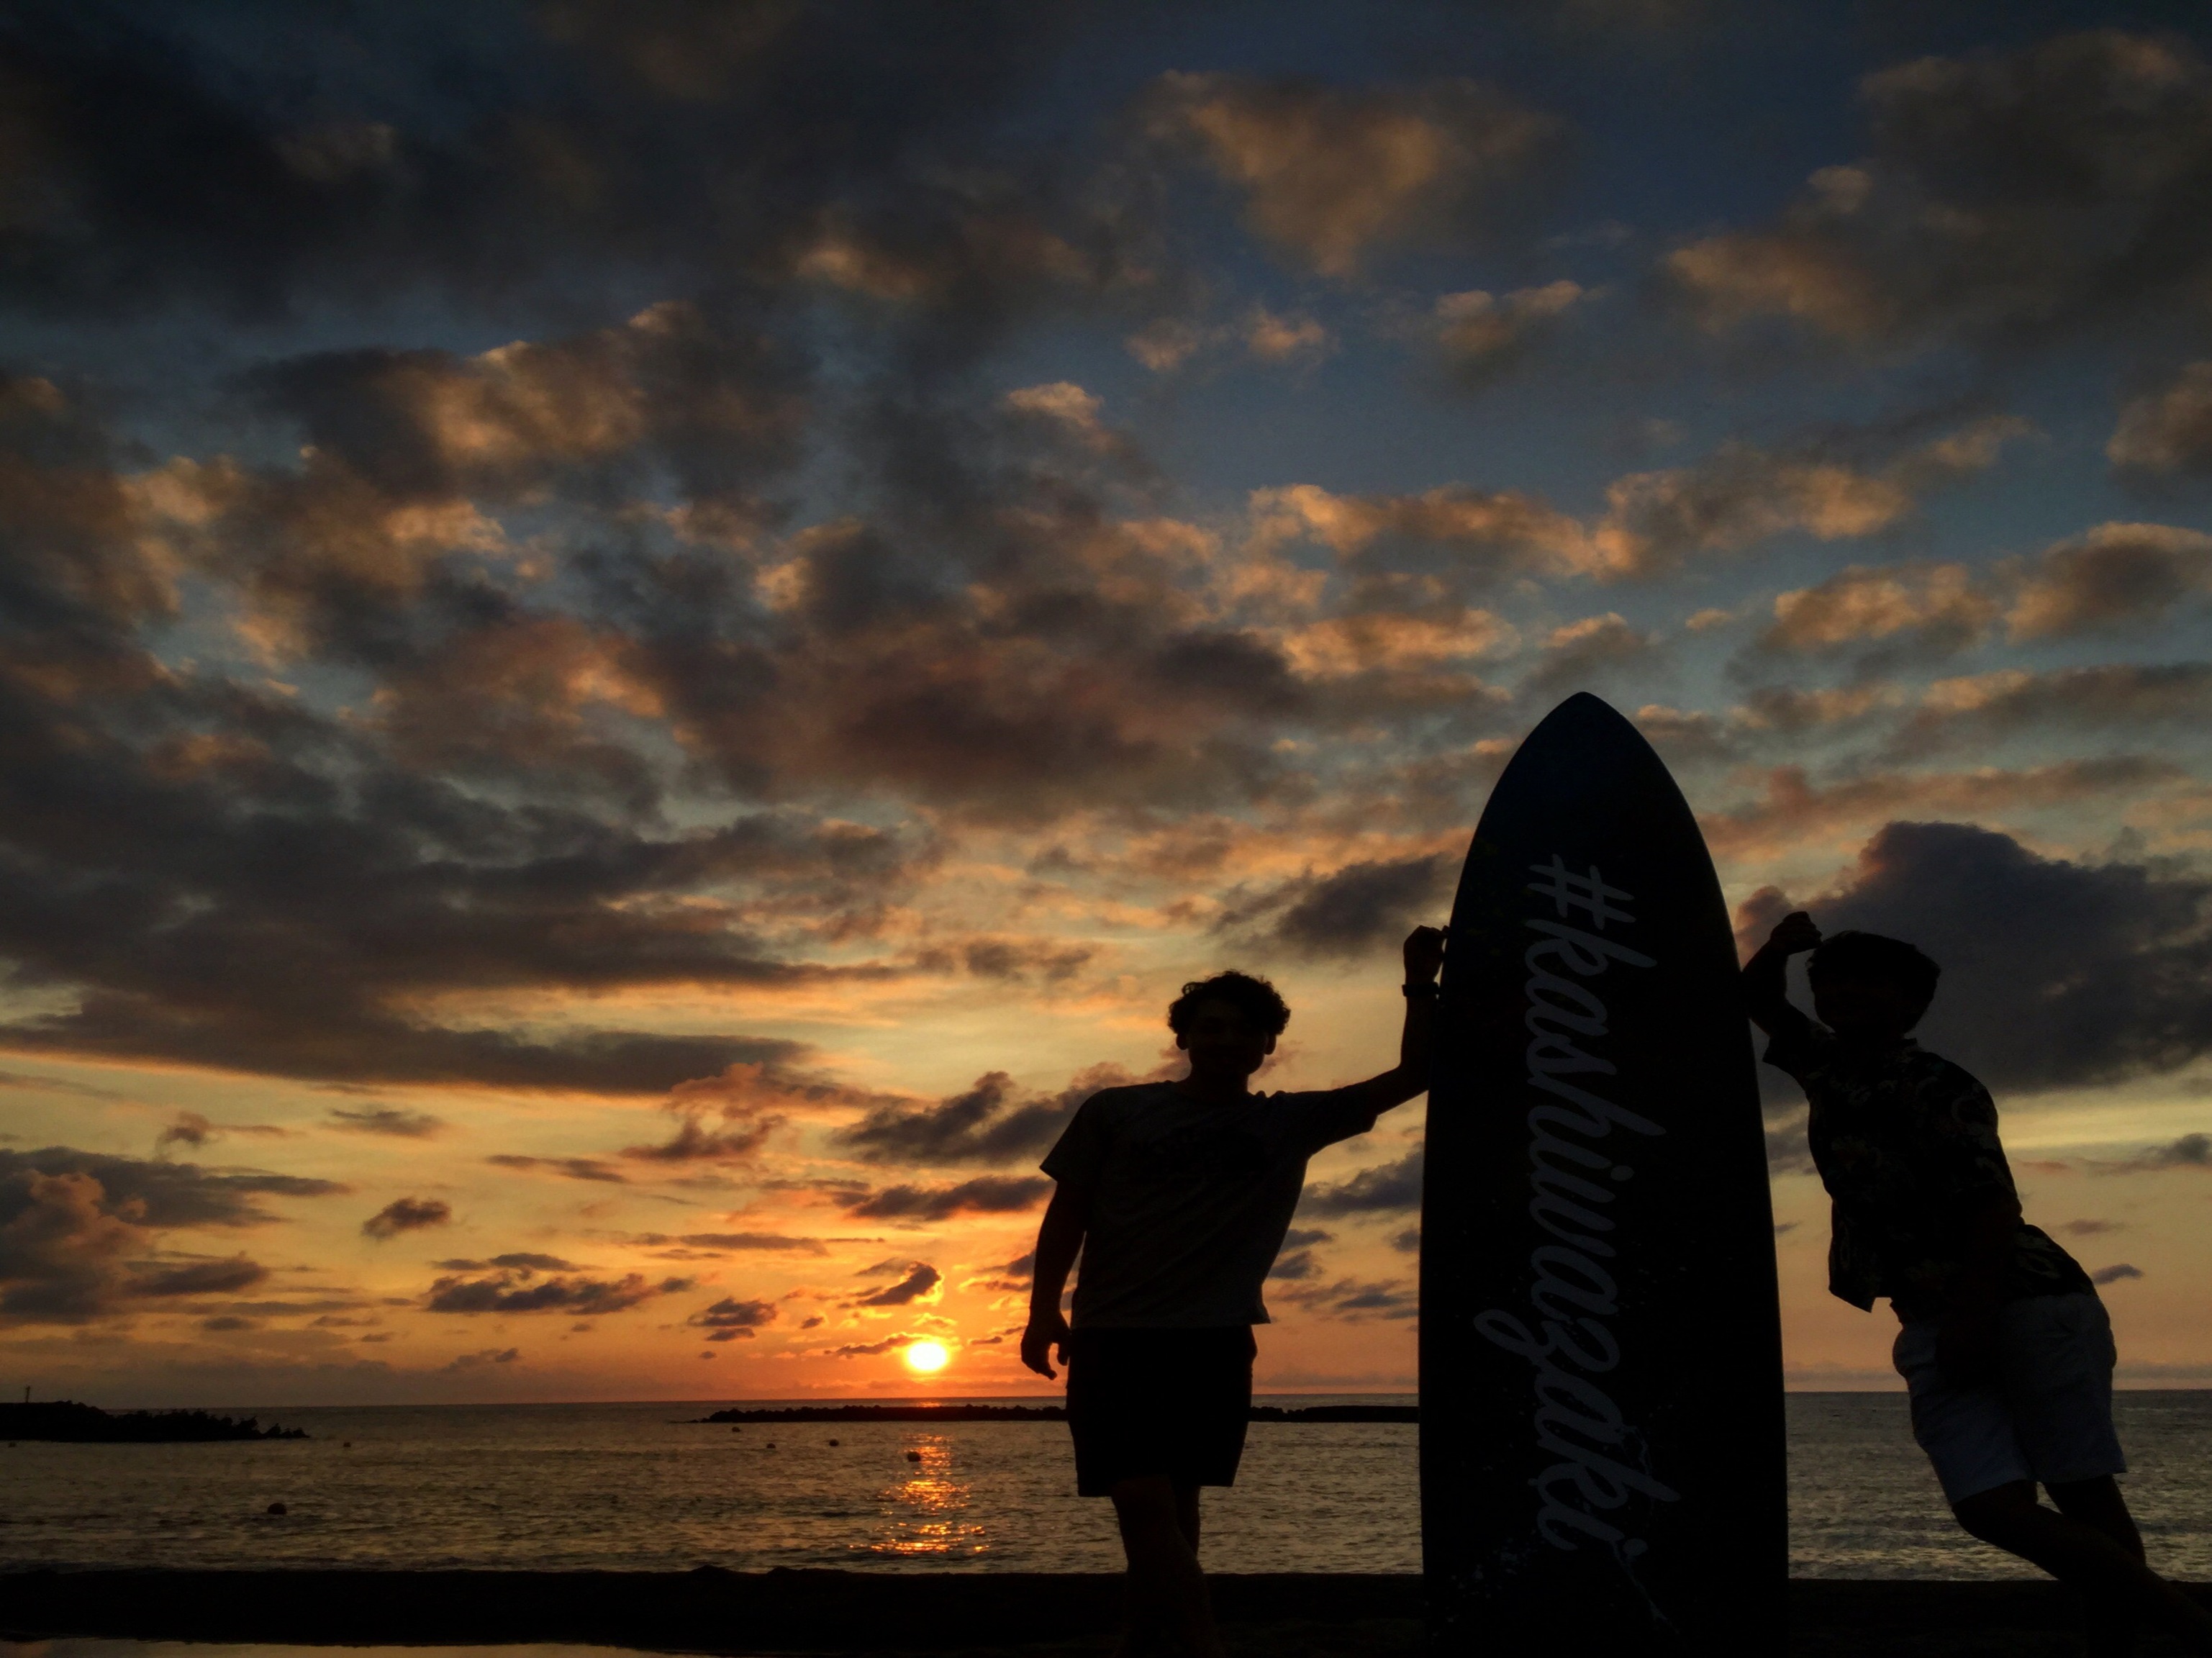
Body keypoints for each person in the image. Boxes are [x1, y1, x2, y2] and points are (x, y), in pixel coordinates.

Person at [1745, 911, 2212, 1652]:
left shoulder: (1937, 1086)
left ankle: (2146, 1642)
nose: (1841, 995)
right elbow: (1759, 1000)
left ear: (1909, 1003)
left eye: (1866, 984)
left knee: (2079, 1488)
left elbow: (1993, 1208)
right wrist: (1775, 949)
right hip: (1932, 1309)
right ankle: (2186, 1627)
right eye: (1830, 982)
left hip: (2020, 1300)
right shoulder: (1825, 1065)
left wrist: (1971, 1317)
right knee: (1987, 1505)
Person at [1020, 926, 1445, 1658]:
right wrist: (1041, 1312)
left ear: (1266, 1045)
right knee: (1142, 1500)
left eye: (1243, 1030)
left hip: (1214, 1340)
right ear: (1182, 1037)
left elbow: (1417, 1073)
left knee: (1173, 1509)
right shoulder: (1114, 1113)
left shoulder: (1288, 1121)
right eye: (1208, 1027)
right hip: (1114, 1336)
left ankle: (1153, 1648)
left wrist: (1418, 983)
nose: (1224, 1041)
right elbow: (1068, 1214)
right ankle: (1204, 1648)